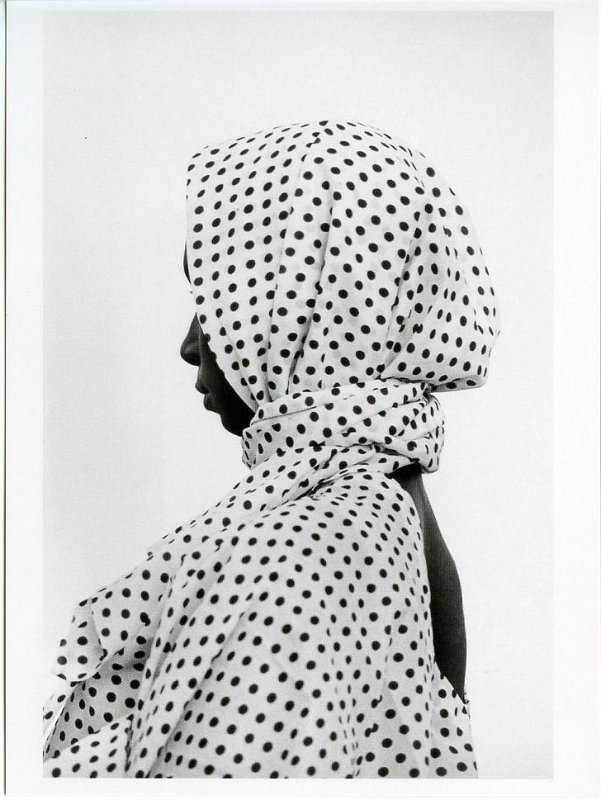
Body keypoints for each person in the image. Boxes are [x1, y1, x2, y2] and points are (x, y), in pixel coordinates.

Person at [43, 119, 500, 778]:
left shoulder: (295, 553)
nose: (190, 344)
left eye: (211, 302)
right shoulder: (383, 516)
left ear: (304, 309)